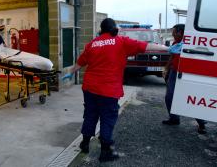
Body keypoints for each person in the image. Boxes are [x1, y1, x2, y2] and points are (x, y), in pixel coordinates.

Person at [63, 18, 168, 162]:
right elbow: (148, 46)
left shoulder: (92, 44)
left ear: (101, 29)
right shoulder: (121, 41)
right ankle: (105, 152)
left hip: (90, 88)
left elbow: (79, 64)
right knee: (107, 118)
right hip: (108, 90)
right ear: (114, 29)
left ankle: (85, 143)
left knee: (90, 114)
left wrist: (69, 73)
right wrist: (169, 48)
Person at [162, 24, 206, 134]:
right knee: (169, 97)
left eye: (174, 32)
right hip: (174, 73)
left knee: (190, 99)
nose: (172, 34)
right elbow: (172, 57)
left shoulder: (190, 44)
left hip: (186, 74)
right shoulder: (175, 43)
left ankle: (201, 122)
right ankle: (174, 119)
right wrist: (166, 69)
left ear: (181, 32)